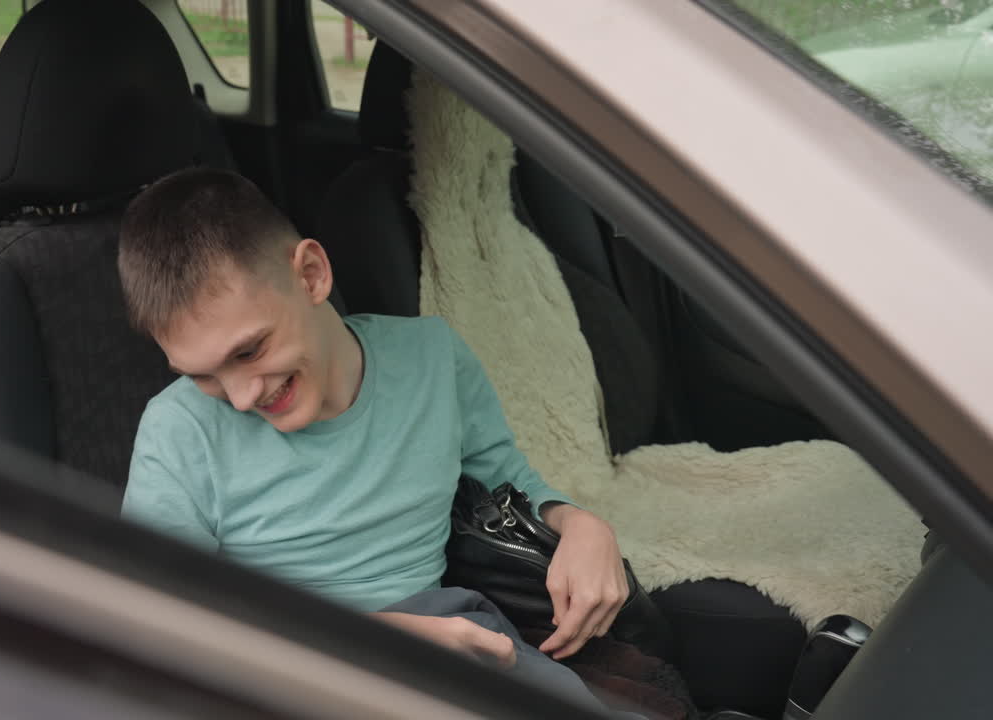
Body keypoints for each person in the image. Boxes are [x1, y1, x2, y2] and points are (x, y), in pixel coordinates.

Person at [118, 167, 641, 716]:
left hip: (452, 636)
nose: (241, 396)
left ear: (312, 275)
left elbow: (506, 478)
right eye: (201, 375)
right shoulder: (178, 431)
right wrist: (378, 638)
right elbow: (163, 619)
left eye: (248, 351)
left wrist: (581, 524)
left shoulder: (431, 357)